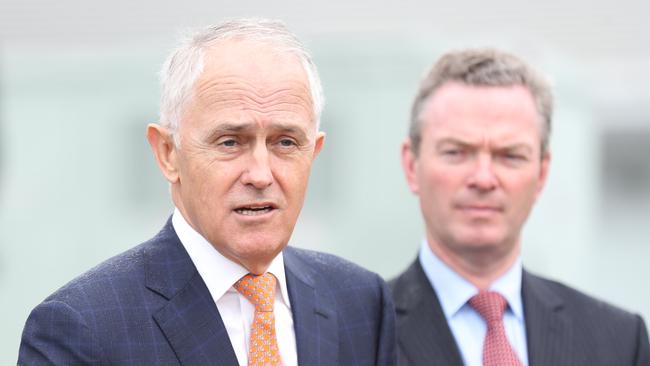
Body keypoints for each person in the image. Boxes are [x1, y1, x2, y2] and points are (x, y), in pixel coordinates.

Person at [19, 18, 395, 366]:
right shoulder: (83, 328)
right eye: (230, 142)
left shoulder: (361, 302)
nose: (261, 174)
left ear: (314, 153)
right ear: (168, 154)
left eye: (285, 142)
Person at [390, 48, 649, 366]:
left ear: (542, 172)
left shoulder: (618, 340)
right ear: (411, 164)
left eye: (510, 156)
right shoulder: (360, 332)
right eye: (456, 152)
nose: (484, 179)